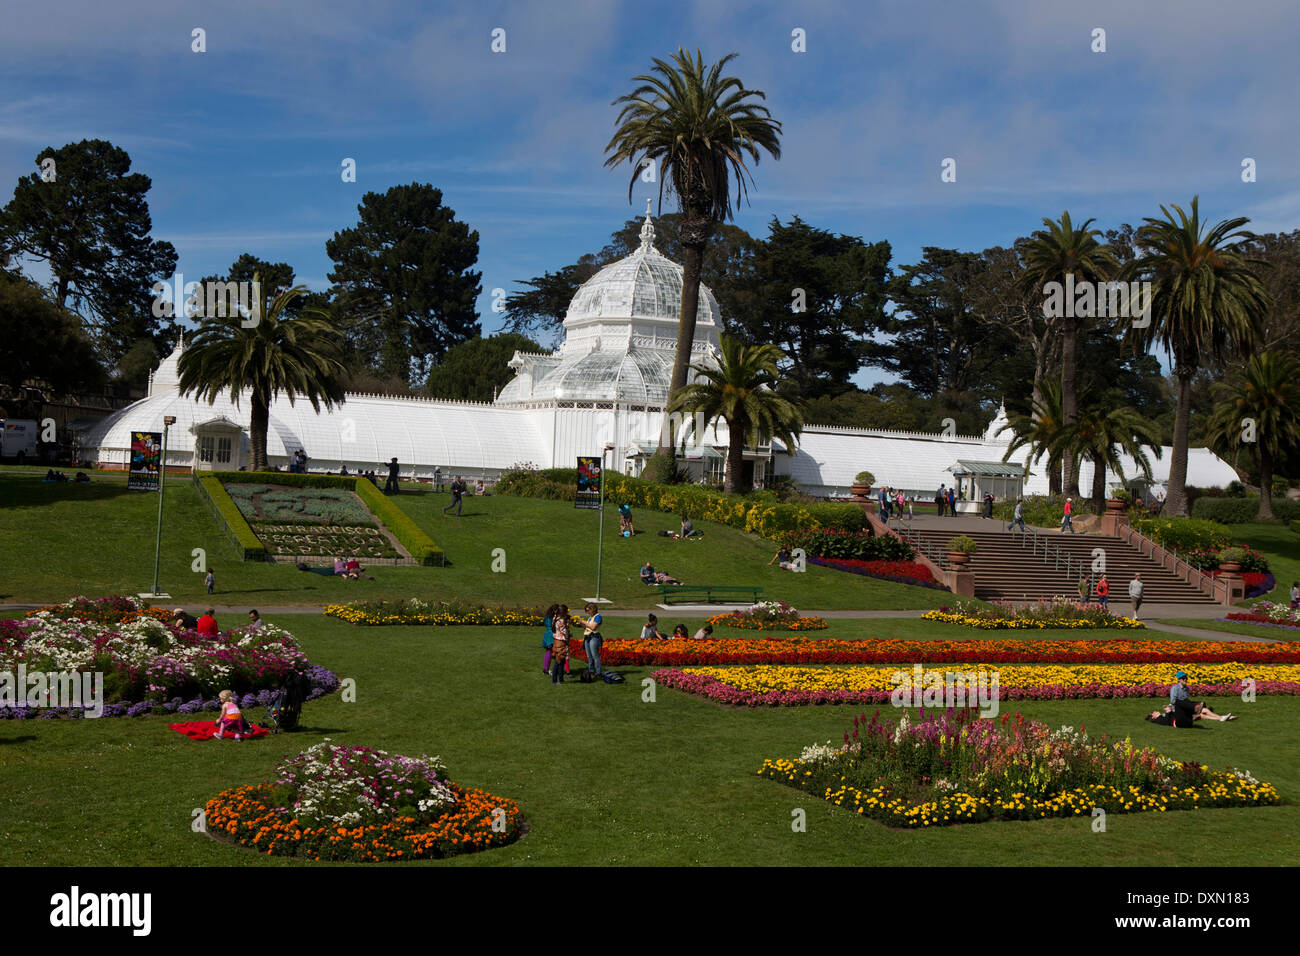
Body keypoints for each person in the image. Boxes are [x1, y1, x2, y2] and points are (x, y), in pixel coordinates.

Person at [582, 602, 603, 678]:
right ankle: (591, 671)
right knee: (589, 656)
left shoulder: (598, 617)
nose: (587, 612)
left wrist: (584, 622)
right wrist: (581, 624)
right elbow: (587, 627)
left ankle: (598, 672)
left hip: (594, 637)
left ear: (593, 610)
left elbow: (593, 627)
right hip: (587, 637)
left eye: (588, 611)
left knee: (595, 656)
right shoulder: (590, 617)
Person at [550, 605, 571, 684]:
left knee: (561, 662)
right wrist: (568, 626)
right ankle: (554, 680)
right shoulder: (562, 620)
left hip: (556, 641)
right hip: (561, 642)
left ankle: (561, 678)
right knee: (558, 662)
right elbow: (565, 632)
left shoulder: (555, 617)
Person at [541, 604, 558, 676]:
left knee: (548, 652)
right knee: (552, 652)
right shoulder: (553, 618)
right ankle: (549, 669)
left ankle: (545, 669)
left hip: (547, 635)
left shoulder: (547, 617)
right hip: (552, 635)